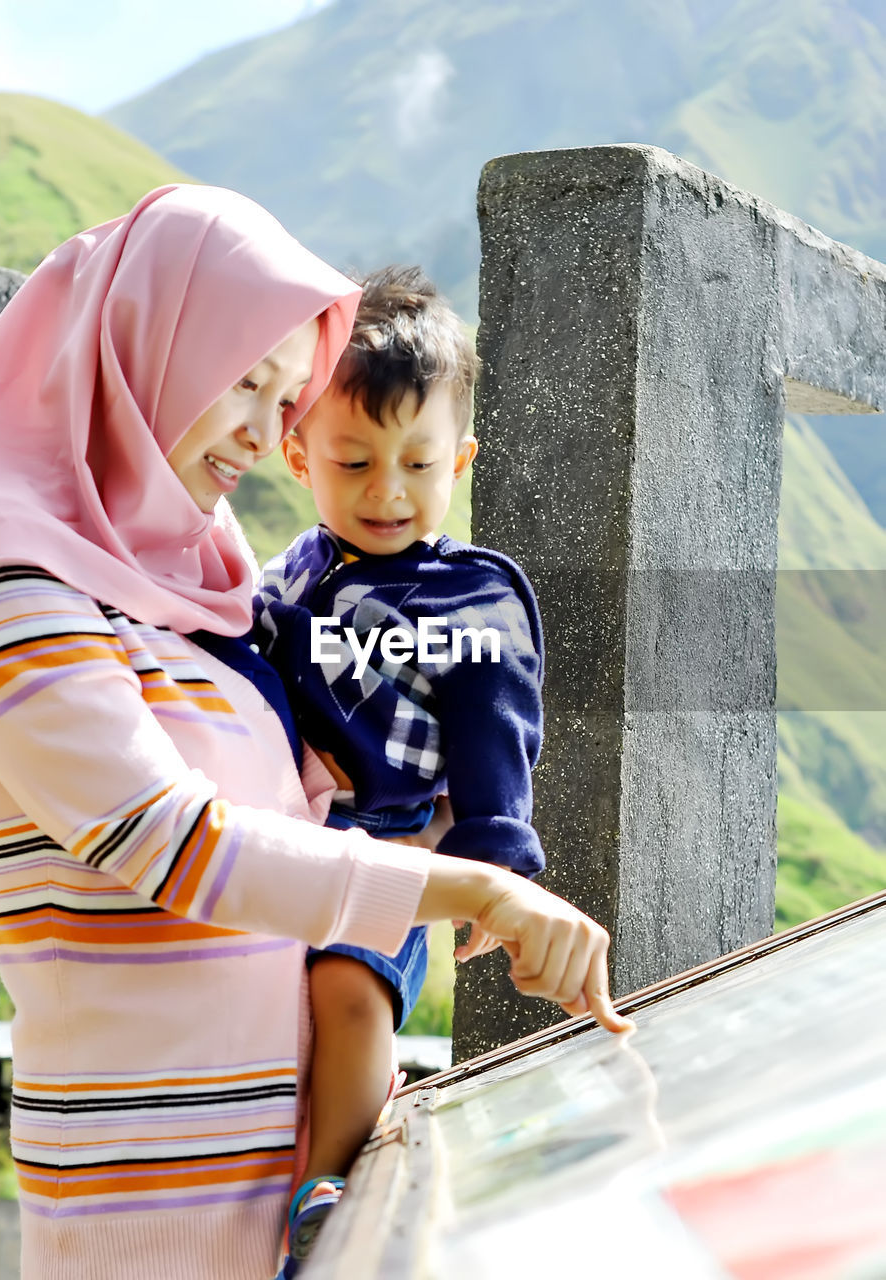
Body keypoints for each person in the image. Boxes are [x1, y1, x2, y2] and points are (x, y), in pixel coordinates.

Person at [0, 186, 631, 1280]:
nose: (267, 434)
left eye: (289, 394)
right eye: (246, 382)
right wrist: (475, 888)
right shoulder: (7, 590)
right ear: (144, 345)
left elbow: (315, 801)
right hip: (153, 1212)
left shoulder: (204, 589)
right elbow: (172, 841)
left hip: (305, 1197)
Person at [246, 266, 546, 1272]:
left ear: (458, 457)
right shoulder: (292, 574)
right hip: (290, 847)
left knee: (348, 980)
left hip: (393, 849)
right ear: (298, 452)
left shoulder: (469, 595)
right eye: (354, 458)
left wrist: (490, 864)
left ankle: (328, 1186)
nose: (388, 490)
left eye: (419, 462)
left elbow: (495, 725)